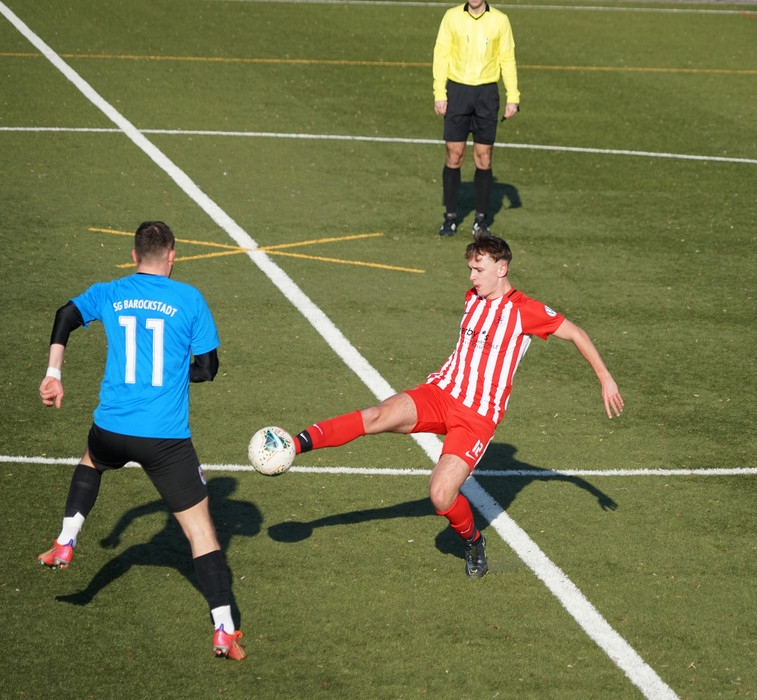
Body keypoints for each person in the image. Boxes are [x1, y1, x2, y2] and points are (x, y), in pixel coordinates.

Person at [290, 235, 623, 577]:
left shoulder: (525, 310)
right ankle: (295, 444)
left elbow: (576, 333)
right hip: (440, 392)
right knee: (377, 415)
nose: (471, 277)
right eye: (470, 269)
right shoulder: (472, 298)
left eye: (479, 270)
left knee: (440, 494)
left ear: (501, 269)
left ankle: (473, 541)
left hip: (477, 416)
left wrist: (605, 378)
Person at [37, 221, 246, 659]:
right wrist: (175, 374)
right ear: (172, 256)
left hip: (111, 430)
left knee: (92, 460)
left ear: (134, 256)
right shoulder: (189, 298)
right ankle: (224, 629)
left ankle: (66, 540)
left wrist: (54, 374)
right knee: (202, 532)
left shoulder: (110, 291)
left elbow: (65, 316)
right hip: (164, 441)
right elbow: (208, 368)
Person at [433, 0, 519, 238]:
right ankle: (450, 218)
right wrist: (439, 93)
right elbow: (441, 55)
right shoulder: (451, 17)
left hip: (486, 95)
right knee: (454, 154)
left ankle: (481, 220)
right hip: (457, 92)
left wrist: (513, 97)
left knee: (484, 157)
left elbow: (507, 58)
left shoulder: (500, 20)